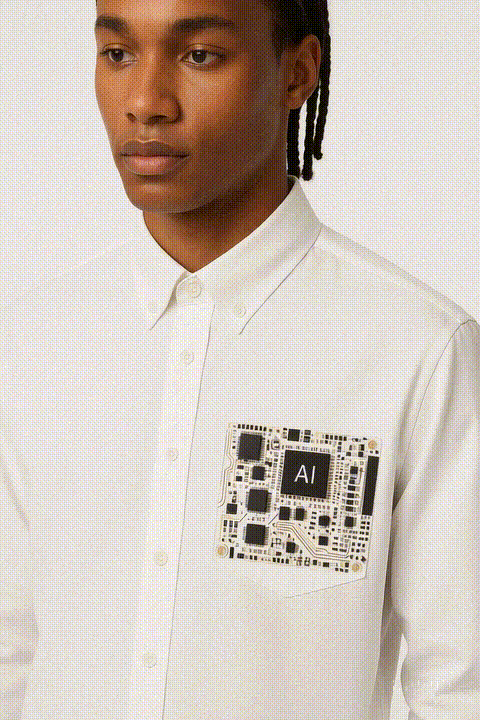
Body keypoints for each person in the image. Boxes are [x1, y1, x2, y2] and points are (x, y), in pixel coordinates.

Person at [0, 0, 478, 718]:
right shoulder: (37, 341)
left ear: (298, 73)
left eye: (199, 56)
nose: (145, 103)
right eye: (118, 54)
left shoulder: (414, 350)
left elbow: (461, 685)